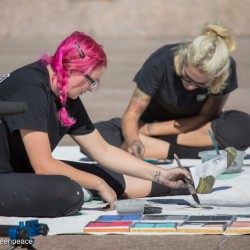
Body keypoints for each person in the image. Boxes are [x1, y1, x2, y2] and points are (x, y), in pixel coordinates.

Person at [0, 31, 236, 218]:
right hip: (9, 173)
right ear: (74, 70)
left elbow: (102, 151)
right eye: (92, 82)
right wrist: (96, 183)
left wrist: (160, 173)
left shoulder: (64, 91)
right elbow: (43, 165)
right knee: (67, 192)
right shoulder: (31, 89)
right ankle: (84, 193)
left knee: (108, 176)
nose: (92, 90)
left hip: (23, 169)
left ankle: (188, 180)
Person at [95, 22, 250, 160]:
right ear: (183, 59)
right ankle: (196, 152)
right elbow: (132, 114)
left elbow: (207, 116)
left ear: (217, 78)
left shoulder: (226, 69)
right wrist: (134, 141)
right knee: (97, 135)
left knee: (243, 126)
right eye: (186, 77)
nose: (190, 86)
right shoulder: (160, 61)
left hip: (193, 128)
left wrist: (149, 131)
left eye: (200, 84)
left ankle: (157, 147)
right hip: (160, 124)